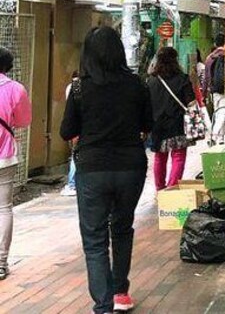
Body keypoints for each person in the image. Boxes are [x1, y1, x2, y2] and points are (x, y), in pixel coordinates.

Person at [61, 26, 153, 313]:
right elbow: (147, 126)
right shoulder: (137, 84)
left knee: (94, 238)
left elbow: (67, 131)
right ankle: (120, 293)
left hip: (92, 169)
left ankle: (103, 306)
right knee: (122, 227)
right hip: (130, 168)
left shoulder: (79, 88)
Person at [0, 47, 32, 281]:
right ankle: (0, 263)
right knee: (3, 208)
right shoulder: (16, 89)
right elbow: (24, 120)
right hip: (5, 156)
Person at [148, 47, 195, 191]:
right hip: (177, 123)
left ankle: (159, 188)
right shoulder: (182, 79)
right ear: (175, 60)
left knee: (159, 157)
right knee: (178, 156)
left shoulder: (151, 81)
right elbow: (191, 103)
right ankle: (172, 188)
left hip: (157, 125)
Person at [203, 33, 225, 145]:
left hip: (214, 90)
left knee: (219, 112)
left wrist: (204, 93)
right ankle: (216, 135)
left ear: (215, 43)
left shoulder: (210, 58)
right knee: (222, 112)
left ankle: (219, 137)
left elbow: (206, 77)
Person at [60, 71, 80, 197]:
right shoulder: (77, 88)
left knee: (75, 155)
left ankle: (72, 184)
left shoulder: (72, 88)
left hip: (75, 127)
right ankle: (73, 183)